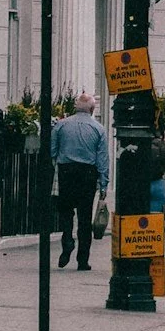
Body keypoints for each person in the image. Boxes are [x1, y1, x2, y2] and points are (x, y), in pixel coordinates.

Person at [51, 93, 109, 271]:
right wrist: (103, 183)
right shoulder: (98, 129)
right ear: (92, 110)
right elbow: (102, 159)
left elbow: (52, 151)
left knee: (66, 212)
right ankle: (83, 260)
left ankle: (67, 240)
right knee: (85, 217)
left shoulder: (61, 125)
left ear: (75, 107)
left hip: (66, 171)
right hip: (87, 173)